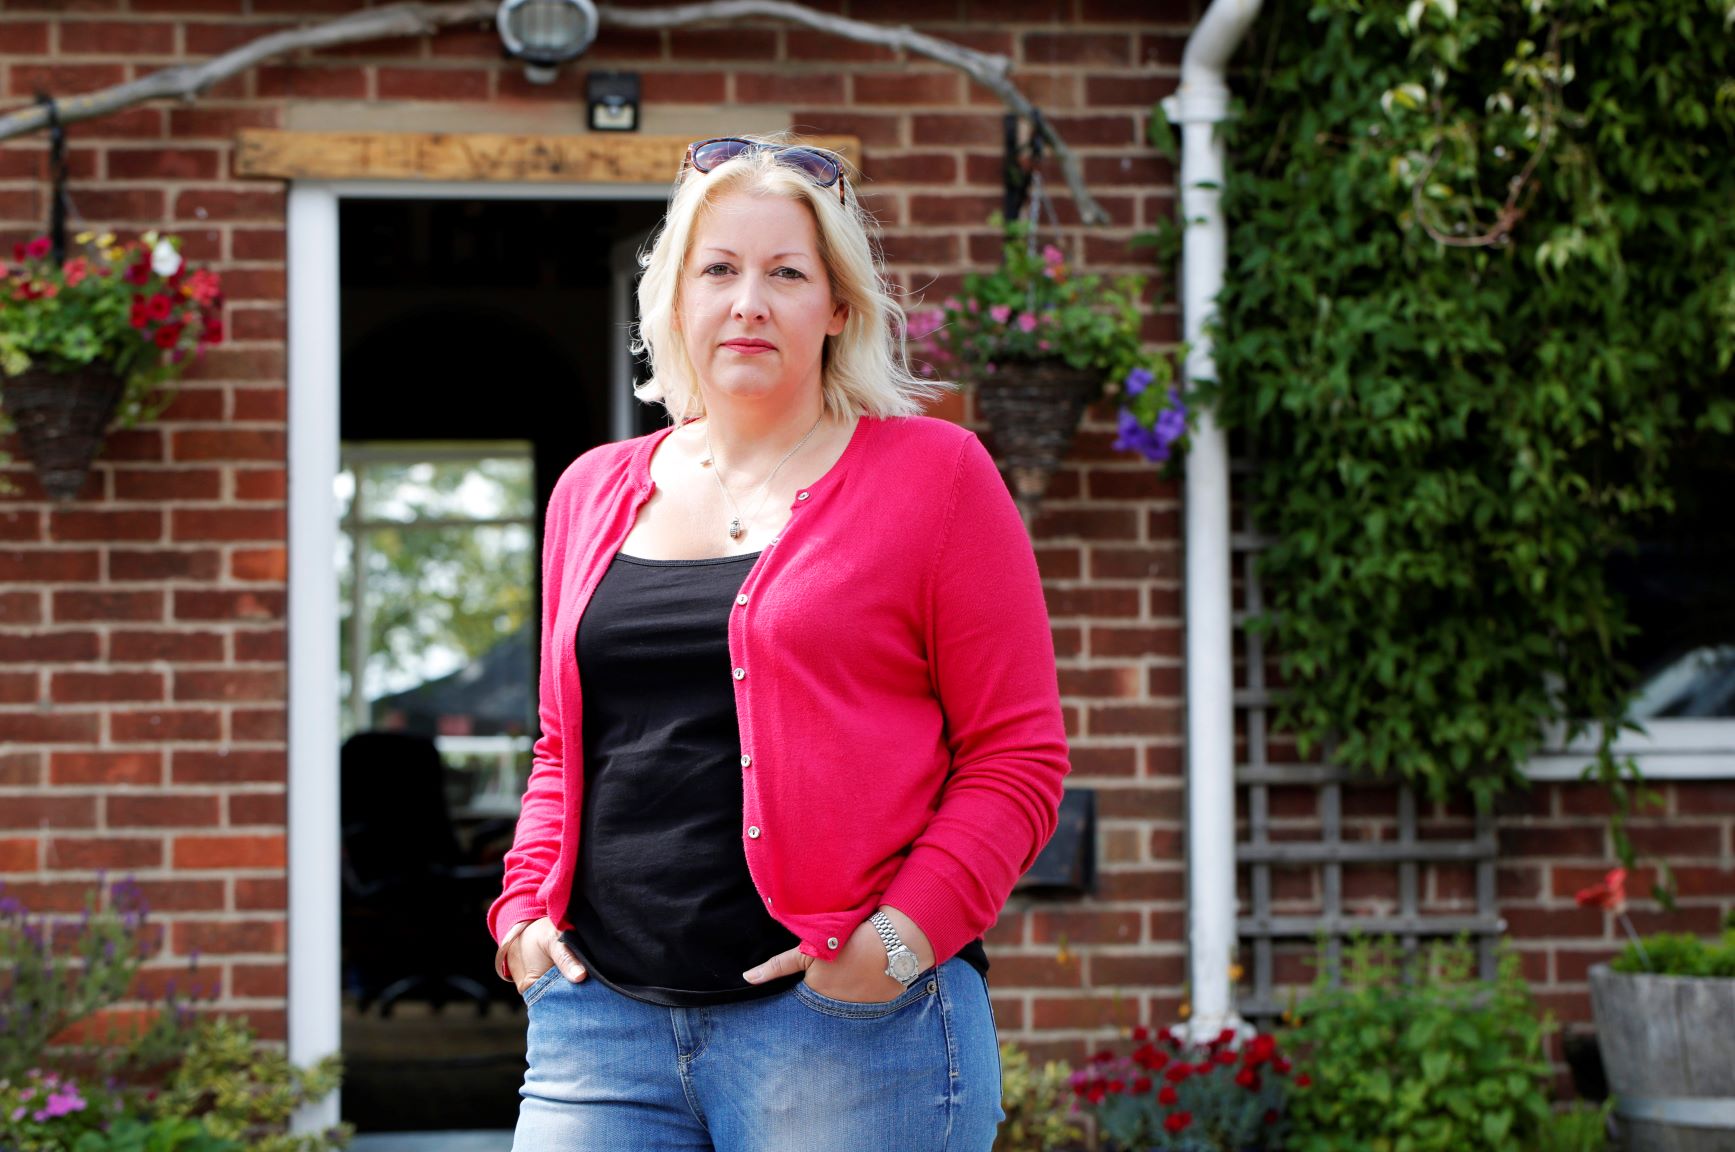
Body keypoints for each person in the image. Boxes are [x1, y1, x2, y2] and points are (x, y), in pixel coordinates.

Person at [490, 133, 1069, 1151]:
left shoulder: (936, 477)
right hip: (599, 1027)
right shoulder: (592, 489)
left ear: (837, 308)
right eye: (718, 270)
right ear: (675, 299)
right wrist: (521, 916)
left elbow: (1015, 759)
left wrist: (898, 943)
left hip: (847, 1032)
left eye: (785, 273)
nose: (747, 301)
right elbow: (560, 748)